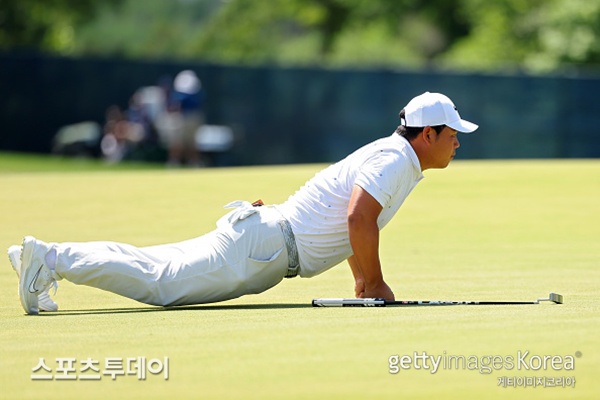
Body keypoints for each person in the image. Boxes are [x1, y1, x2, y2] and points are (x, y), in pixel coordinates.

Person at [12, 92, 478, 315]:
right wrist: (375, 284)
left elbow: (349, 220)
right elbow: (358, 218)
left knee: (155, 265)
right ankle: (48, 259)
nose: (457, 142)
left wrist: (362, 281)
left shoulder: (394, 156)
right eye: (452, 134)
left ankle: (45, 257)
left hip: (264, 240)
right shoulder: (395, 159)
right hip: (264, 248)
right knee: (160, 283)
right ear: (428, 134)